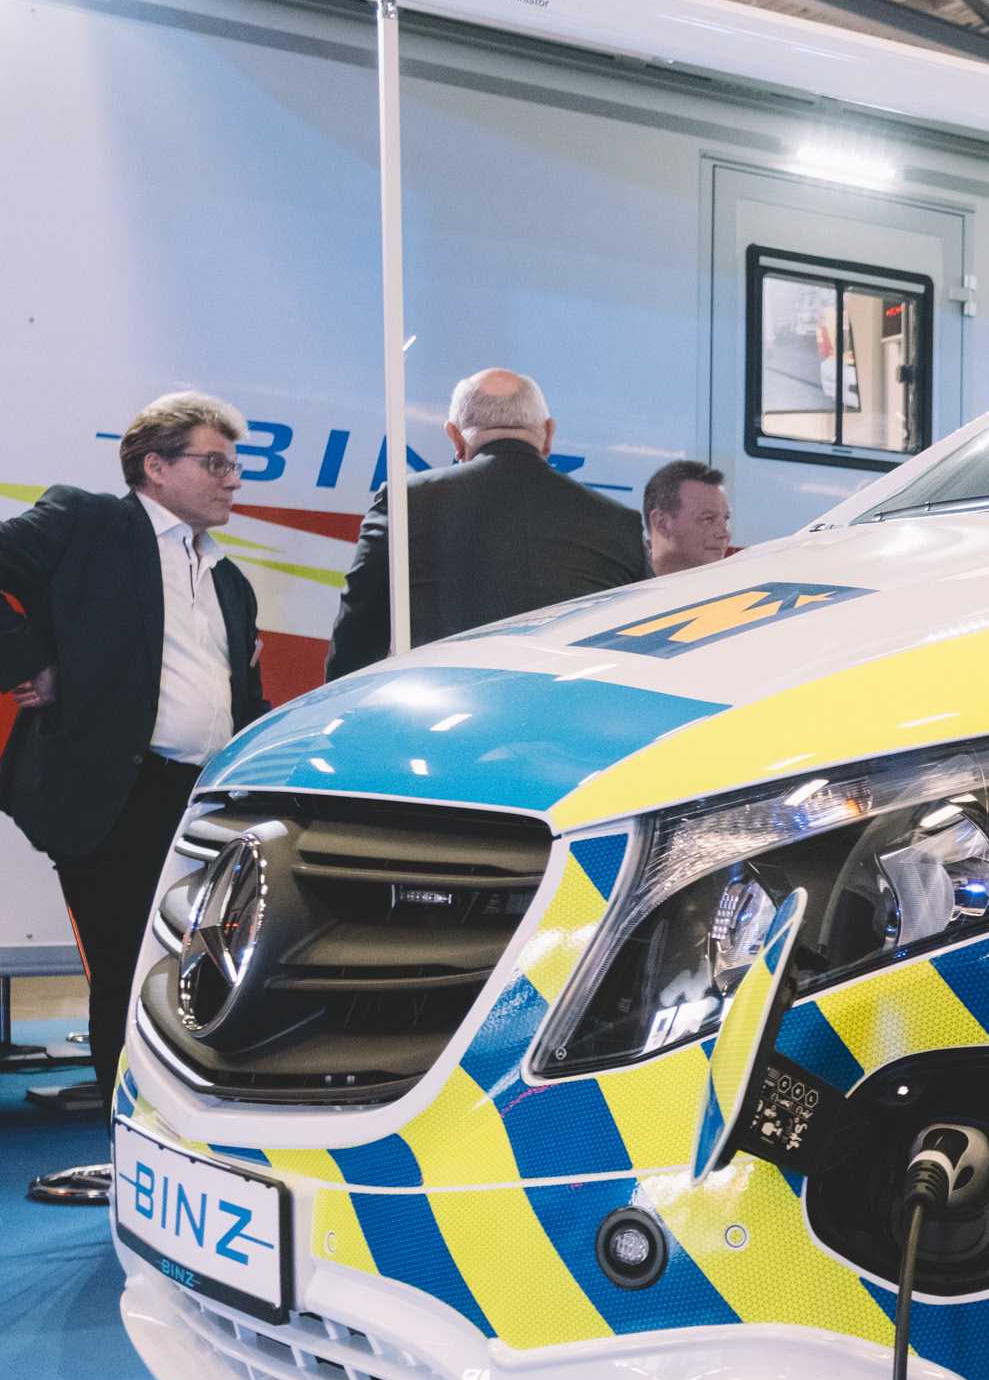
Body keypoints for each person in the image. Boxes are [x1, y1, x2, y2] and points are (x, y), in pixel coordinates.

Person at [0, 392, 269, 1136]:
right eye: (214, 463)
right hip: (115, 797)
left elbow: (239, 698)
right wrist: (32, 662)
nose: (233, 479)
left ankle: (192, 1134)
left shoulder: (229, 579)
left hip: (208, 802)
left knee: (204, 975)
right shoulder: (84, 521)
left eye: (234, 465)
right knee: (129, 972)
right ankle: (135, 1140)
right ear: (155, 466)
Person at [326, 369, 647, 676]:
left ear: (455, 437)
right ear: (549, 434)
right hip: (572, 709)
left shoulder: (405, 503)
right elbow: (645, 649)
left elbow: (355, 645)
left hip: (444, 707)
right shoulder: (620, 523)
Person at [643, 459, 733, 576]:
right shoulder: (622, 582)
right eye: (708, 519)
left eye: (726, 519)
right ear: (662, 523)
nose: (724, 534)